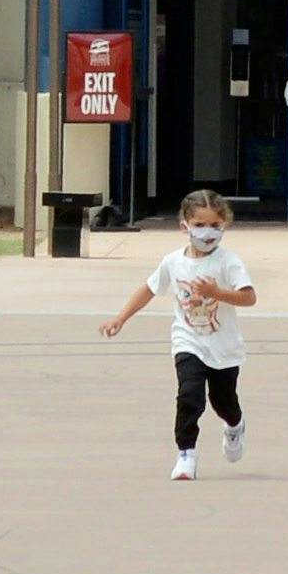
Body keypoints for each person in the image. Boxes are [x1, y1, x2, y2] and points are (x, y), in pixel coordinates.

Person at [100, 183, 255, 472]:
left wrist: (217, 293)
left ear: (225, 225)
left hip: (223, 347)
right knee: (189, 395)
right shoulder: (173, 262)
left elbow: (249, 297)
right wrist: (120, 318)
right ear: (184, 226)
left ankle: (235, 425)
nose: (207, 232)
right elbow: (148, 289)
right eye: (199, 224)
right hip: (188, 341)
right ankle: (186, 453)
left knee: (223, 402)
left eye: (215, 225)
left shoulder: (229, 262)